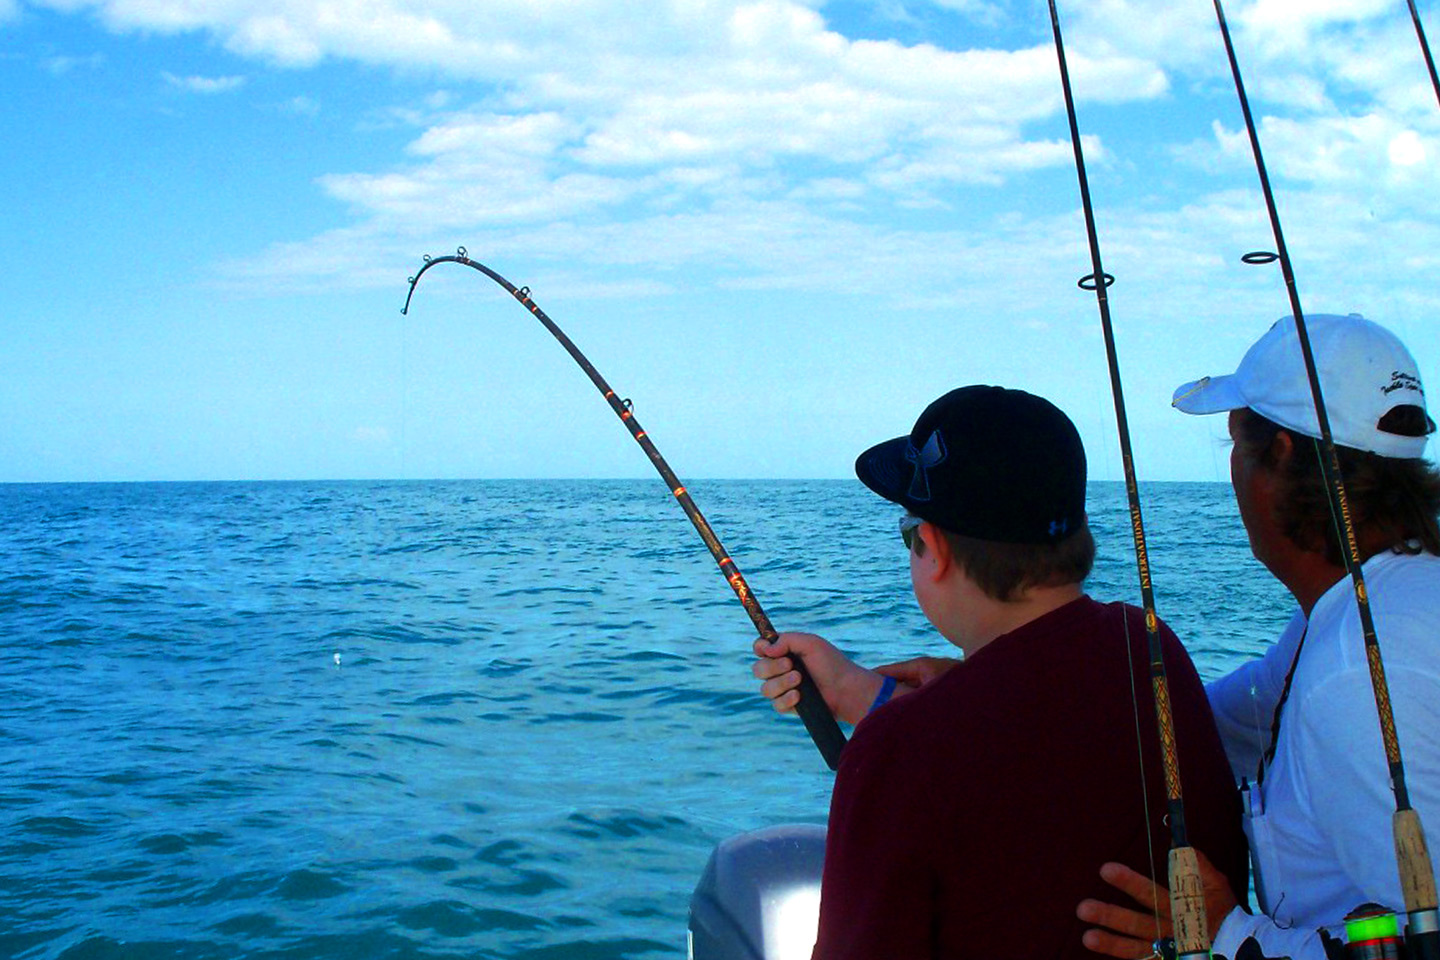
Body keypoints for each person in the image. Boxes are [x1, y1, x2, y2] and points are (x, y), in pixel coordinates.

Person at [752, 384, 1247, 960]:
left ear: (930, 548)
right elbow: (1030, 746)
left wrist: (898, 729)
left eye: (908, 534)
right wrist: (864, 694)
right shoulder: (1153, 649)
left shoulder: (898, 752)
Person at [1076, 313, 1440, 960]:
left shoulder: (1355, 670)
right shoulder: (1356, 614)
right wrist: (993, 691)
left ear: (1279, 454)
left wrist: (1225, 934)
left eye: (1236, 446)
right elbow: (1215, 725)